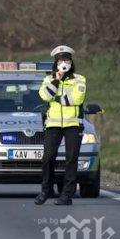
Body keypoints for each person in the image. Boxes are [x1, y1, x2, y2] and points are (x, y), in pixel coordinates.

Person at [35, 45, 86, 206]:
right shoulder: (49, 80)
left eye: (67, 60)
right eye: (61, 60)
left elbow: (77, 99)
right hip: (53, 124)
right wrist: (56, 80)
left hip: (73, 123)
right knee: (48, 157)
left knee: (71, 159)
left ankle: (66, 194)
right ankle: (46, 190)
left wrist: (56, 99)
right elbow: (44, 96)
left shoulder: (79, 79)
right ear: (56, 63)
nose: (64, 63)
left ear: (71, 62)